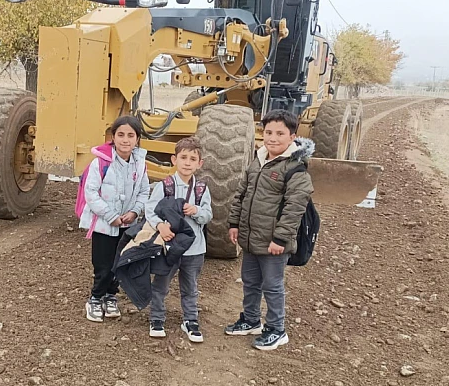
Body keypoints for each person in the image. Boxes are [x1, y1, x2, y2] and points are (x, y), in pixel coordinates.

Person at [224, 110, 314, 350]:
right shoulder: (258, 160)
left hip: (274, 242)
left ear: (292, 136)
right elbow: (241, 194)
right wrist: (234, 224)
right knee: (250, 281)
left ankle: (276, 329)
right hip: (251, 238)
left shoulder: (295, 168)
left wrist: (280, 238)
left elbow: (295, 207)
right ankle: (251, 320)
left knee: (272, 286)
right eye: (269, 132)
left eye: (280, 133)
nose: (273, 138)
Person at [79, 115, 150, 322]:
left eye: (131, 135)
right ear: (113, 137)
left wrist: (135, 212)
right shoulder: (100, 163)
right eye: (121, 135)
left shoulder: (140, 164)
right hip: (104, 224)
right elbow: (91, 193)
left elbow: (144, 191)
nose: (125, 140)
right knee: (103, 263)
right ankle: (95, 298)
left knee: (120, 261)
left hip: (127, 225)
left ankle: (111, 296)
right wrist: (111, 216)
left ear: (137, 139)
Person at [145, 137, 213, 342]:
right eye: (183, 157)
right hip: (169, 247)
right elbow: (150, 210)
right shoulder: (164, 186)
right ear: (174, 159)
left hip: (194, 249)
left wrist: (197, 210)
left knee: (190, 286)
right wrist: (161, 225)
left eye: (193, 158)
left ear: (199, 163)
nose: (187, 162)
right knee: (161, 283)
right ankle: (157, 318)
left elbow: (209, 214)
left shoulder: (201, 189)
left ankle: (190, 320)